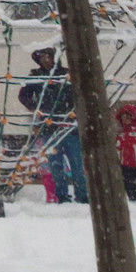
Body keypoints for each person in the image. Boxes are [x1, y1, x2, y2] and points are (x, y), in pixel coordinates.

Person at [18, 47, 88, 204]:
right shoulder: (35, 76)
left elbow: (81, 92)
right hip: (49, 128)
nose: (46, 60)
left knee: (77, 163)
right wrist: (38, 108)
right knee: (56, 166)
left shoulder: (67, 74)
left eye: (48, 57)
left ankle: (82, 195)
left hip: (70, 126)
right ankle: (61, 196)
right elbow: (23, 96)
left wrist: (75, 109)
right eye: (42, 58)